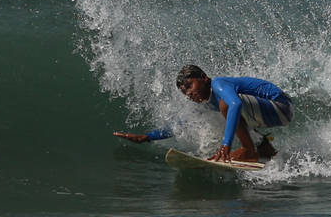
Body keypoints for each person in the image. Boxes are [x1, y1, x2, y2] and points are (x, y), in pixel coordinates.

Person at [113, 64, 293, 163]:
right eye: (185, 92)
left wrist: (226, 144)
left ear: (204, 78)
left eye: (190, 86)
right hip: (267, 113)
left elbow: (235, 104)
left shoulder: (218, 84)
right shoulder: (205, 103)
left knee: (226, 107)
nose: (189, 93)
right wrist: (146, 137)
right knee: (222, 116)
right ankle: (265, 150)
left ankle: (249, 150)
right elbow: (178, 126)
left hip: (279, 106)